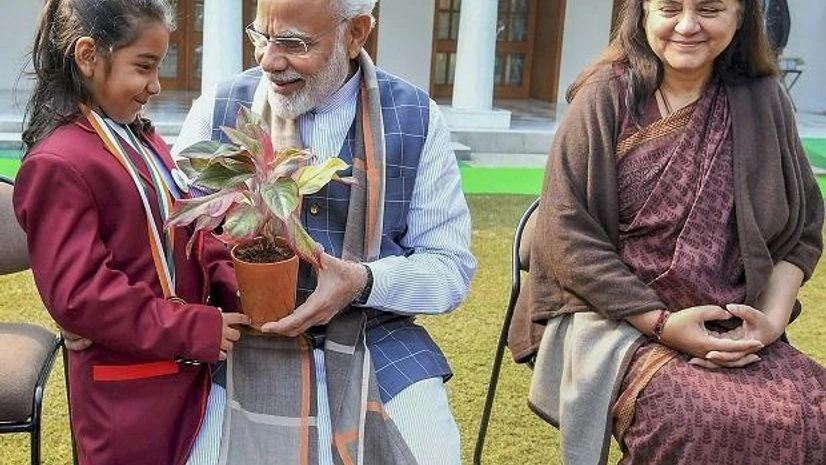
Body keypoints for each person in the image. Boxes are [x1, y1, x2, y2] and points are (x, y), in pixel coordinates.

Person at [508, 0, 826, 464]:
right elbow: (564, 233)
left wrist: (769, 324)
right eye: (670, 8)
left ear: (742, 17)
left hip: (732, 322)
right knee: (692, 419)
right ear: (642, 15)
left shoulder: (764, 100)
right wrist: (662, 324)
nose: (688, 25)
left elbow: (803, 230)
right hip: (613, 318)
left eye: (710, 9)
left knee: (813, 412)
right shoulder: (604, 97)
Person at [172, 0, 475, 463]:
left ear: (355, 34)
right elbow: (173, 230)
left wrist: (363, 282)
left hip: (377, 341)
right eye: (261, 37)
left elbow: (450, 269)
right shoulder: (220, 107)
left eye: (293, 43)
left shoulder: (416, 118)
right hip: (242, 343)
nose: (270, 61)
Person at [13, 1, 249, 464]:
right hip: (129, 399)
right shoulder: (59, 163)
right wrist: (191, 328)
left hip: (178, 378)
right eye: (144, 67)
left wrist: (237, 285)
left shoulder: (139, 137)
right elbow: (82, 295)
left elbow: (181, 231)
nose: (155, 87)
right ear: (88, 56)